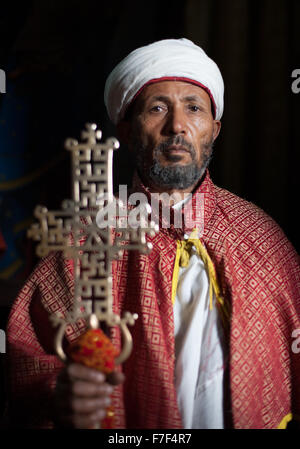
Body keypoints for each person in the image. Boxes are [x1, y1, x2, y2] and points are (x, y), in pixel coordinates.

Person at [4, 38, 300, 429]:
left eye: (193, 108)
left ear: (214, 129)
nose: (176, 125)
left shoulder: (262, 239)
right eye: (158, 108)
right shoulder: (83, 246)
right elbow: (25, 365)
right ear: (126, 131)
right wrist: (58, 394)